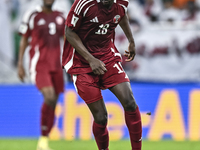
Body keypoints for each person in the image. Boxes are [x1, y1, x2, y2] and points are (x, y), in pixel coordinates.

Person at [62, 0, 142, 150]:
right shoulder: (84, 4)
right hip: (81, 63)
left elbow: (121, 15)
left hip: (107, 57)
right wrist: (91, 59)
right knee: (101, 117)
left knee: (130, 103)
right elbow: (69, 32)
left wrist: (131, 40)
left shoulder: (122, 3)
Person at [17, 0, 65, 150]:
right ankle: (43, 139)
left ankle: (44, 139)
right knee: (49, 96)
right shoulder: (32, 16)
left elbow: (68, 40)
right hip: (39, 65)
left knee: (54, 100)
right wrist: (20, 64)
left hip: (56, 65)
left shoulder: (60, 17)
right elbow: (24, 39)